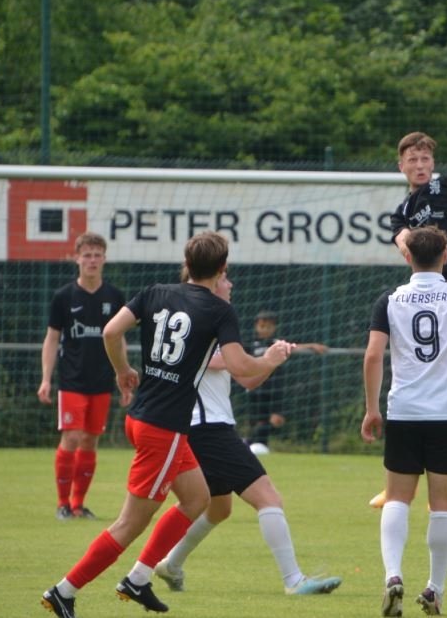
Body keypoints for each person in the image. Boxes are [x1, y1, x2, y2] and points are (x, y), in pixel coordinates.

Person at [41, 231, 294, 618]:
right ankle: (64, 590)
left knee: (198, 498)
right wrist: (271, 359)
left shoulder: (155, 292)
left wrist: (123, 370)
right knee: (130, 523)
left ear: (186, 264)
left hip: (141, 416)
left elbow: (111, 331)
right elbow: (242, 367)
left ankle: (139, 578)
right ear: (222, 268)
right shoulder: (219, 310)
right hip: (165, 428)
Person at [153, 269, 342, 597]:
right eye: (224, 277)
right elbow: (229, 364)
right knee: (268, 497)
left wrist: (271, 362)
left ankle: (171, 564)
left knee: (219, 508)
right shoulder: (197, 319)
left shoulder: (214, 320)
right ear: (211, 282)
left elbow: (246, 379)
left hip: (204, 428)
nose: (230, 284)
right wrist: (264, 358)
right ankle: (294, 580)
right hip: (208, 429)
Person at [361, 226, 447, 616]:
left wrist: (372, 408)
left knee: (397, 498)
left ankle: (393, 576)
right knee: (443, 504)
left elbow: (373, 355)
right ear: (446, 255)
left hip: (405, 412)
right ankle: (435, 588)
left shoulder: (389, 299)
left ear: (407, 256)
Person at [368, 131, 447, 508]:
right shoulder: (402, 211)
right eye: (413, 160)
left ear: (432, 163)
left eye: (425, 159)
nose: (420, 165)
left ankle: (442, 474)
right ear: (401, 165)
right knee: (413, 368)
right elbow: (404, 244)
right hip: (425, 288)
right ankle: (400, 477)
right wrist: (408, 241)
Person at [38, 231, 131, 520]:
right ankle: (62, 504)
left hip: (101, 381)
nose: (92, 260)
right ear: (77, 259)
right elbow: (52, 339)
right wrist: (46, 379)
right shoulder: (63, 296)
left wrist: (123, 375)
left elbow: (120, 339)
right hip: (71, 380)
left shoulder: (114, 296)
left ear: (104, 259)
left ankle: (78, 505)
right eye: (87, 255)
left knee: (90, 440)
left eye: (97, 255)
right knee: (72, 437)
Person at [244, 309, 328, 454]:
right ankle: (256, 447)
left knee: (277, 420)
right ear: (256, 326)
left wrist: (312, 346)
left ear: (274, 328)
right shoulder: (249, 344)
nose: (265, 330)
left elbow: (294, 347)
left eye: (269, 326)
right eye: (262, 326)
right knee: (258, 422)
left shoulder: (277, 344)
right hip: (255, 389)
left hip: (274, 390)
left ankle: (248, 443)